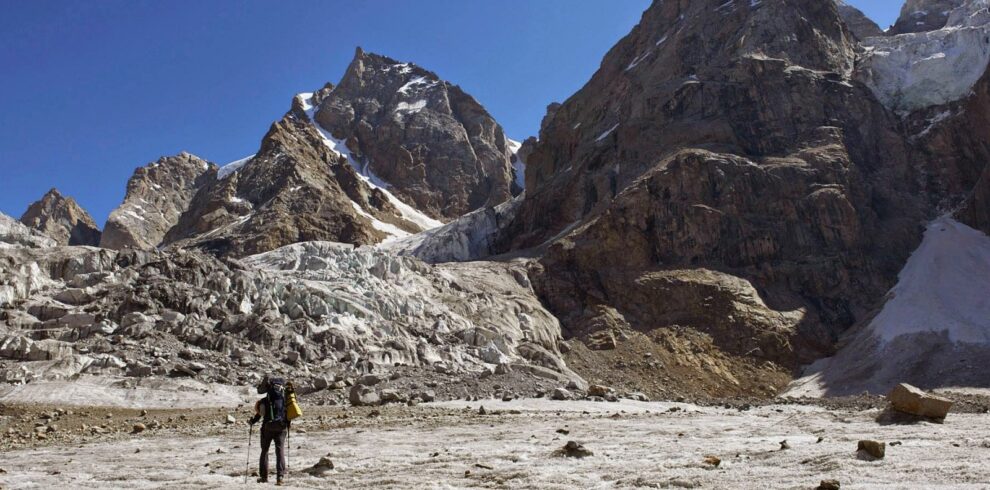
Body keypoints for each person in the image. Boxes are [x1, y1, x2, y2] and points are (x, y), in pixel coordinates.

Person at [249, 376, 290, 485]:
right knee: (280, 451)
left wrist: (252, 422)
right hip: (281, 428)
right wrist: (287, 424)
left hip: (267, 427)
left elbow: (260, 414)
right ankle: (280, 477)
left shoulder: (266, 399)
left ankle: (264, 477)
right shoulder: (284, 398)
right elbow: (289, 413)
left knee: (265, 451)